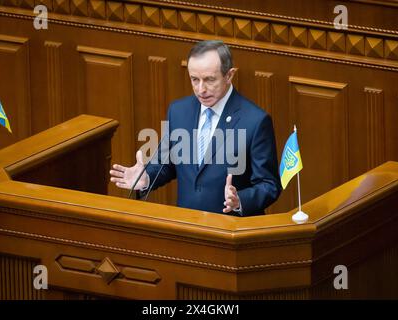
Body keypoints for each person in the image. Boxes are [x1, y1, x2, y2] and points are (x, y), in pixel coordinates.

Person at [110, 40, 281, 216]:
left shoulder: (255, 121)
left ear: (229, 75)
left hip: (231, 230)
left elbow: (269, 184)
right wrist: (145, 178)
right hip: (188, 228)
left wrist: (240, 200)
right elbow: (166, 164)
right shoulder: (178, 111)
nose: (201, 89)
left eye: (209, 80)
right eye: (194, 79)